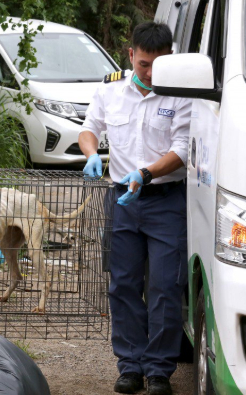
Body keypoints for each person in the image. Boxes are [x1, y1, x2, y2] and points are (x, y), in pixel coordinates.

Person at [79, 22, 191, 395]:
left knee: (164, 286)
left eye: (158, 64)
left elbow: (182, 149)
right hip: (122, 202)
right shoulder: (111, 88)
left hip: (165, 200)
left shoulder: (182, 95)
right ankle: (130, 366)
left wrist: (144, 173)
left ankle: (159, 370)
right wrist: (92, 153)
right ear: (131, 56)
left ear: (170, 59)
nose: (150, 72)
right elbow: (89, 127)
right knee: (123, 284)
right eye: (143, 64)